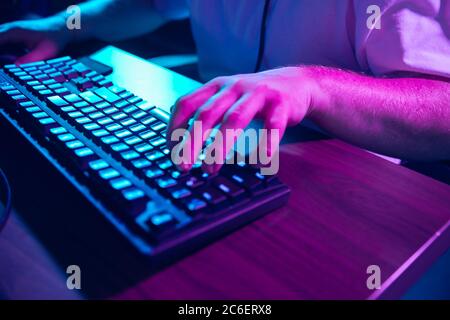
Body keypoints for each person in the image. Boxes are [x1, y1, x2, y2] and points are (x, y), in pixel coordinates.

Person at [0, 0, 449, 173]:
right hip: (213, 158)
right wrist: (64, 25)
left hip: (343, 190)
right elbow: (151, 5)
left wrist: (314, 87)